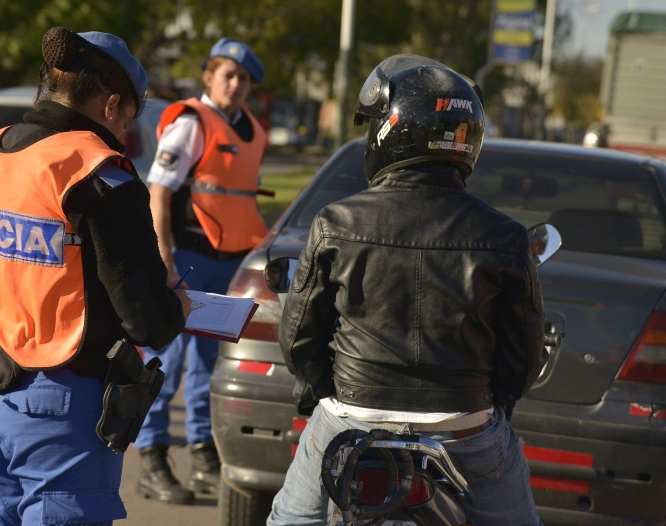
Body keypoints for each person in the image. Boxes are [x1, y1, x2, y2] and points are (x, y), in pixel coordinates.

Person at [267, 55, 546, 526]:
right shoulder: (505, 237)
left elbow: (298, 340)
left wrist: (324, 392)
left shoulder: (336, 223)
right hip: (465, 427)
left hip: (351, 421)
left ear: (391, 132)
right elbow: (522, 359)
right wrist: (486, 403)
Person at [0, 26, 192, 526]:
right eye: (128, 115)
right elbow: (146, 321)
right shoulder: (99, 173)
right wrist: (178, 307)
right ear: (110, 105)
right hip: (60, 408)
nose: (124, 130)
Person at [135, 38, 269, 504]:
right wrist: (165, 263)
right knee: (165, 364)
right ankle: (152, 457)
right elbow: (159, 193)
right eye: (226, 74)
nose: (234, 84)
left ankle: (203, 456)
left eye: (243, 78)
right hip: (187, 262)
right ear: (208, 77)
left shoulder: (251, 129)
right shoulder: (193, 122)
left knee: (209, 367)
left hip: (226, 266)